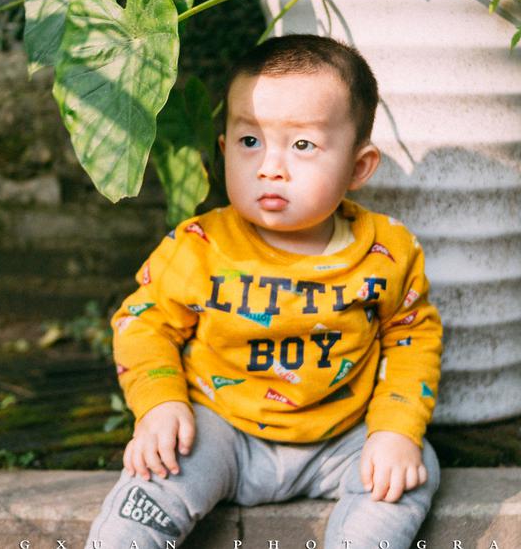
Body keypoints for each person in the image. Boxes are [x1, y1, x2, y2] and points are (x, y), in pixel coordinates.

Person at [87, 34, 443, 549]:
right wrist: (160, 405)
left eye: (302, 145)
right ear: (224, 150)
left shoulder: (387, 252)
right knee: (156, 473)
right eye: (250, 141)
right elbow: (143, 325)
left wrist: (395, 431)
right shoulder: (199, 247)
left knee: (411, 470)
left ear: (358, 167)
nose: (270, 167)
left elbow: (412, 339)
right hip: (218, 432)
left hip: (342, 439)